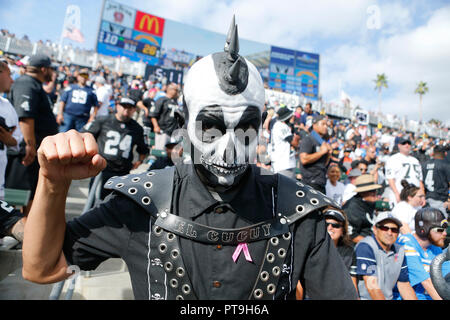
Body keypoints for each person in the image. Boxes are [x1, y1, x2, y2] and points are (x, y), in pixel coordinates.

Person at [22, 19, 357, 300]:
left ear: (261, 125)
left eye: (245, 127)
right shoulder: (143, 204)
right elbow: (42, 268)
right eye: (210, 126)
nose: (229, 149)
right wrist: (52, 183)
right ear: (183, 126)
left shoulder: (295, 211)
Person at [8, 53, 58, 212]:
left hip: (31, 149)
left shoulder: (34, 84)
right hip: (24, 151)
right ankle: (18, 231)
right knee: (17, 196)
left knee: (27, 195)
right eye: (51, 69)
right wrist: (29, 145)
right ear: (43, 69)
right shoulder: (27, 84)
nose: (52, 72)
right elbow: (25, 117)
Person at [82, 97, 149, 200]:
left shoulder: (137, 128)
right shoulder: (103, 120)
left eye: (130, 108)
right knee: (94, 201)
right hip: (102, 170)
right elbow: (86, 136)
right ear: (117, 106)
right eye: (124, 107)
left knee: (115, 204)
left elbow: (143, 149)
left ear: (134, 110)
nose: (126, 110)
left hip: (122, 172)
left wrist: (139, 161)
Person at [354, 212, 417, 300]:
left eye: (394, 230)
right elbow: (372, 286)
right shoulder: (366, 246)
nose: (389, 233)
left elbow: (404, 284)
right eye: (384, 228)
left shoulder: (400, 250)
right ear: (375, 229)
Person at [396, 208, 449, 300]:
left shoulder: (435, 248)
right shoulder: (406, 243)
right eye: (439, 230)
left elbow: (445, 277)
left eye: (445, 229)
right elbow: (426, 282)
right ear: (423, 230)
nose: (444, 233)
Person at [0, 59, 22, 199]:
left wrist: (9, 140)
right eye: (9, 75)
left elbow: (17, 142)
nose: (12, 81)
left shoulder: (7, 105)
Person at [343, 174, 382, 244]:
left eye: (375, 190)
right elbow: (352, 236)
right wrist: (375, 244)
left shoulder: (369, 201)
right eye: (371, 190)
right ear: (362, 192)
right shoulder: (352, 208)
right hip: (359, 246)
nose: (375, 193)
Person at [57, 68, 99, 132]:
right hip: (68, 115)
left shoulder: (91, 91)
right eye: (82, 75)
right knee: (63, 134)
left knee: (80, 137)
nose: (83, 78)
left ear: (88, 78)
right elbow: (62, 101)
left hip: (82, 118)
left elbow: (96, 106)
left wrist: (92, 117)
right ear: (78, 76)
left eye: (85, 76)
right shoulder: (70, 87)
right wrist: (60, 114)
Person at [385, 137, 424, 205]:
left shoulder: (415, 160)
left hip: (415, 197)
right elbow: (390, 179)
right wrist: (396, 193)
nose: (407, 145)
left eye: (409, 143)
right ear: (399, 145)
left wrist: (422, 196)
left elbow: (420, 180)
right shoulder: (393, 159)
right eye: (404, 143)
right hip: (400, 195)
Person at [299, 114, 331, 193]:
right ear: (314, 125)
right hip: (310, 182)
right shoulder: (308, 139)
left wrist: (329, 153)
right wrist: (322, 152)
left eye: (326, 125)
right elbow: (303, 159)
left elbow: (324, 164)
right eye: (323, 124)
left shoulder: (322, 142)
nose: (326, 127)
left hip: (321, 181)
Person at [269, 107, 299, 179]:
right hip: (284, 164)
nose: (293, 117)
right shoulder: (281, 126)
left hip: (279, 164)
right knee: (287, 189)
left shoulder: (278, 125)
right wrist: (297, 138)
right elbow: (295, 143)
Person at [148, 83, 180, 150]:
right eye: (176, 90)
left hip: (173, 132)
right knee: (161, 151)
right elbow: (153, 114)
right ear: (170, 90)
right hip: (163, 131)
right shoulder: (162, 100)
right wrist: (156, 126)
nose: (177, 92)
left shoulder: (175, 102)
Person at [422, 145, 450, 217]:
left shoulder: (424, 164)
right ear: (445, 153)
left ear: (433, 153)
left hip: (427, 199)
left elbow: (420, 183)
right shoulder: (446, 165)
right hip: (441, 200)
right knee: (441, 225)